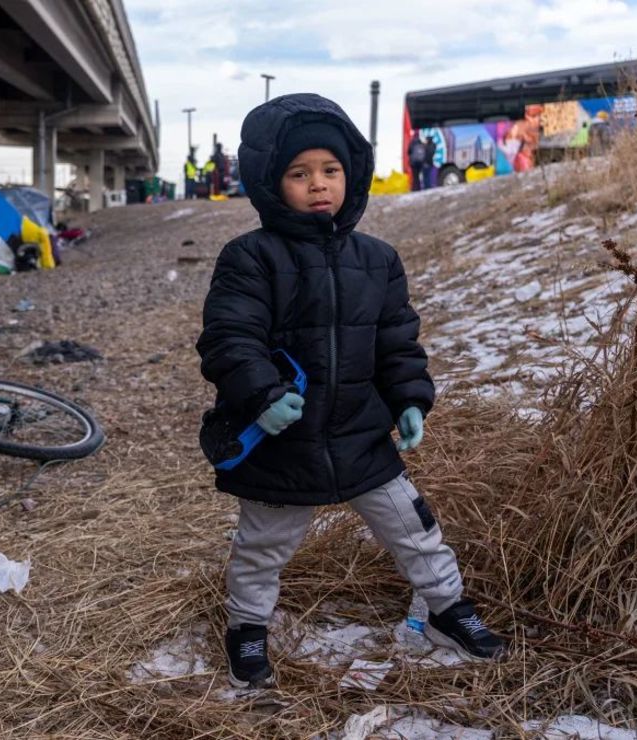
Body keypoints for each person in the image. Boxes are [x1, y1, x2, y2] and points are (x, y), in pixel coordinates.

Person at [196, 93, 506, 690]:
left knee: (416, 529)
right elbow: (229, 339)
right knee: (263, 545)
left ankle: (448, 609)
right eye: (299, 173)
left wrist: (411, 398)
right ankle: (247, 628)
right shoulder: (249, 258)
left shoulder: (378, 259)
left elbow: (397, 341)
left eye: (330, 170)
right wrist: (262, 395)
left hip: (363, 434)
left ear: (351, 174)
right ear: (270, 182)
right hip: (283, 439)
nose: (318, 185)